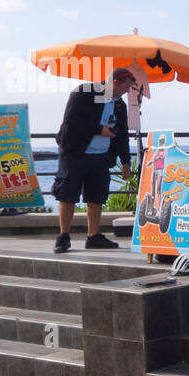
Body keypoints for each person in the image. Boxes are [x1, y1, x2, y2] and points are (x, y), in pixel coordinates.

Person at [52, 67, 134, 252]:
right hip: (74, 153)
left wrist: (126, 161)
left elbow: (122, 136)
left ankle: (93, 236)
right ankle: (63, 236)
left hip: (100, 156)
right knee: (67, 194)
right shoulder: (85, 93)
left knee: (96, 196)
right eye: (126, 87)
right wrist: (99, 129)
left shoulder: (120, 105)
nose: (127, 92)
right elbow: (71, 121)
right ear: (115, 83)